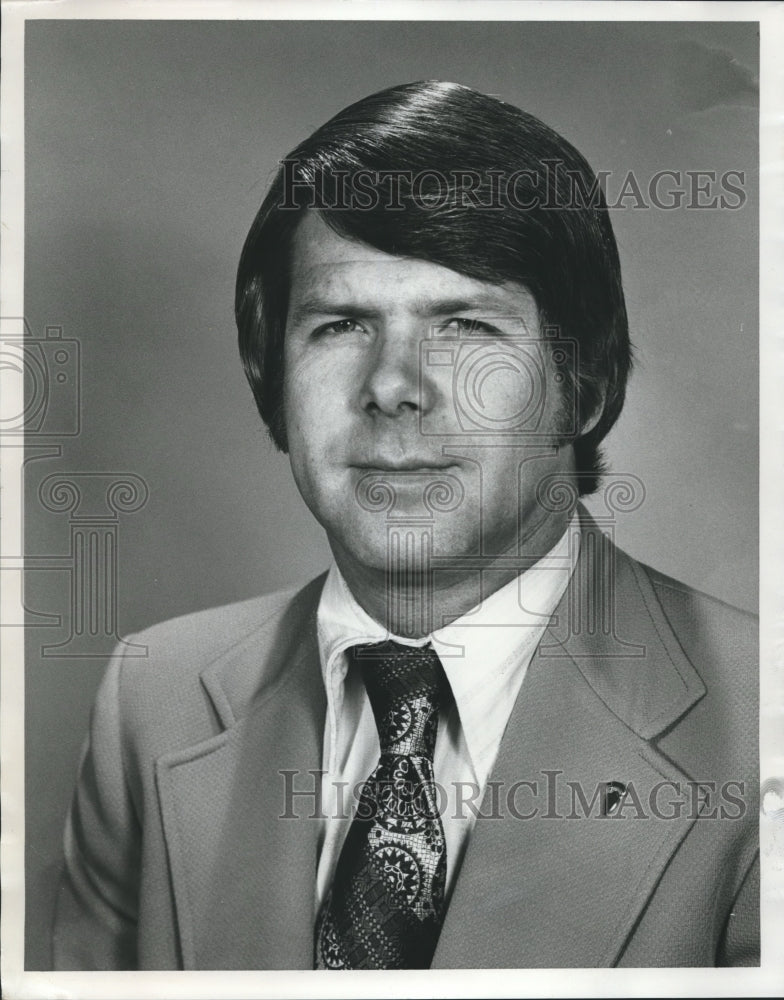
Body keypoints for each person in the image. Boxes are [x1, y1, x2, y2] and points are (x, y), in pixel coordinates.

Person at [52, 80, 758, 970]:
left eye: (464, 325)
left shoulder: (760, 724)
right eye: (341, 324)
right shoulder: (152, 699)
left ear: (586, 385)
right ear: (271, 373)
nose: (392, 386)